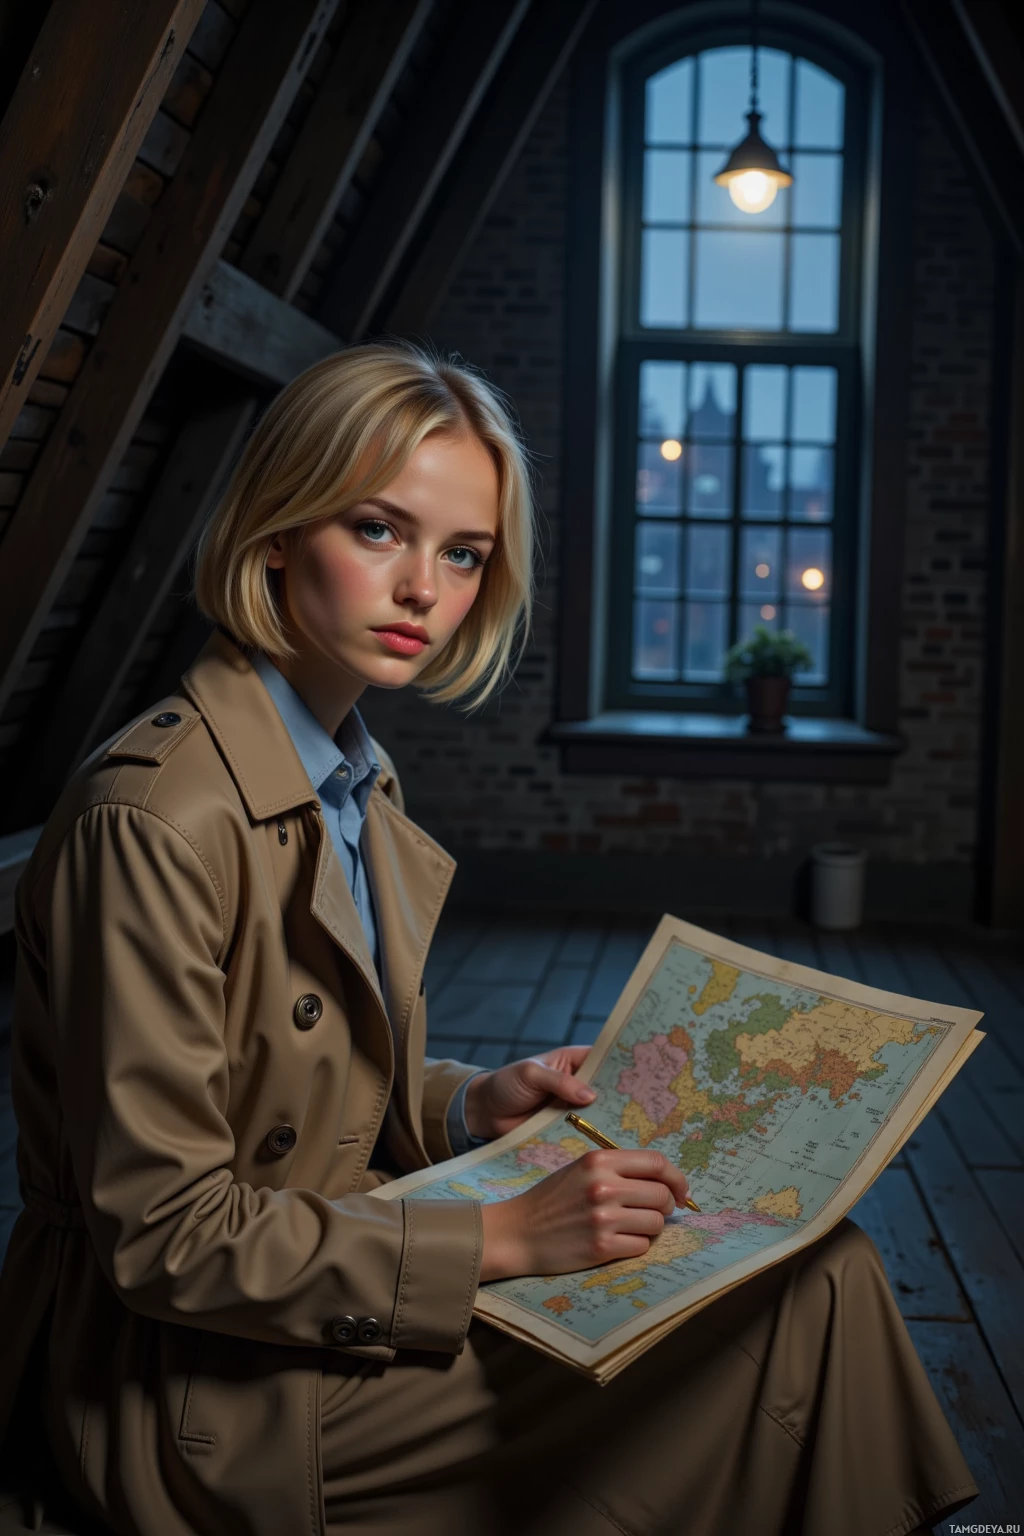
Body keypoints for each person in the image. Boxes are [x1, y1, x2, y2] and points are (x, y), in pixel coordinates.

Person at [0, 342, 977, 1536]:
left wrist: (471, 1107)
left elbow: (295, 1098)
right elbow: (166, 1240)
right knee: (787, 1316)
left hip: (317, 1291)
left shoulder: (355, 780)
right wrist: (503, 1236)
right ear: (273, 532)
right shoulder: (155, 817)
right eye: (377, 529)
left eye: (461, 553)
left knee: (817, 1268)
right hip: (178, 1387)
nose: (424, 588)